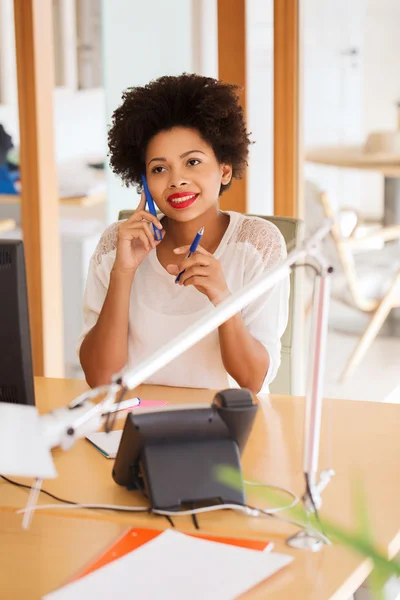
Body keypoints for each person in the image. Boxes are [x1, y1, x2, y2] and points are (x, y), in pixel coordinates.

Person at [78, 73, 289, 394]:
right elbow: (100, 378)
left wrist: (222, 297)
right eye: (159, 169)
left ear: (225, 169)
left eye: (192, 162)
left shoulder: (257, 244)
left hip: (226, 427)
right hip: (135, 425)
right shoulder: (116, 245)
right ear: (144, 181)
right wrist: (124, 273)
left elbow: (252, 380)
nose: (176, 180)